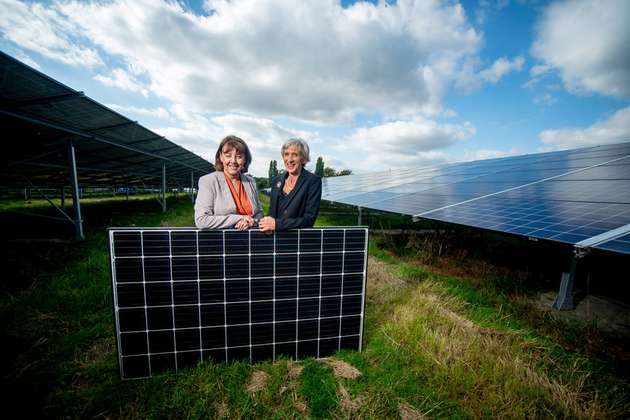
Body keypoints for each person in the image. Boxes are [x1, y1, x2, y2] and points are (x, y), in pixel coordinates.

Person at [194, 135, 263, 229]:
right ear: (221, 157)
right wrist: (238, 219)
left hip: (250, 240)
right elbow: (201, 220)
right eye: (228, 156)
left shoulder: (250, 181)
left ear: (245, 159)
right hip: (222, 241)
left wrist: (251, 222)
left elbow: (259, 214)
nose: (233, 161)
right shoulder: (208, 181)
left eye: (239, 157)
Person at [259, 138, 322, 232]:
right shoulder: (277, 180)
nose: (289, 159)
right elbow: (271, 212)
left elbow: (309, 219)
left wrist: (277, 224)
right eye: (286, 154)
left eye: (295, 155)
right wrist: (266, 223)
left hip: (298, 241)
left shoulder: (313, 181)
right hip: (275, 239)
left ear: (303, 158)